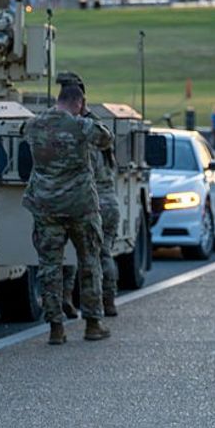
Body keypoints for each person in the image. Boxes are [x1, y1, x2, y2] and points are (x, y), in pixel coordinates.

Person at [23, 82, 113, 344]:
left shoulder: (35, 123)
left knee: (49, 267)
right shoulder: (81, 124)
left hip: (45, 206)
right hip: (80, 206)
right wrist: (86, 115)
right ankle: (93, 324)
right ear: (79, 103)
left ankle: (55, 328)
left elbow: (21, 132)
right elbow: (106, 138)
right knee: (89, 262)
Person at [57, 73, 122, 319]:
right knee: (102, 253)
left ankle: (66, 298)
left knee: (71, 253)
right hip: (106, 198)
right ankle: (108, 301)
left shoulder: (77, 129)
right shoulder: (96, 127)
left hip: (86, 199)